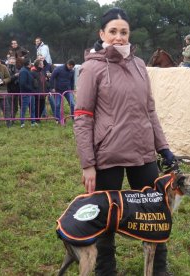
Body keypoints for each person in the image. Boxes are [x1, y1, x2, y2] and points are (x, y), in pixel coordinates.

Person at [73, 7, 176, 276]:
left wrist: (163, 148)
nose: (119, 37)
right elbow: (82, 118)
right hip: (108, 155)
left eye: (124, 32)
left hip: (143, 154)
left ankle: (158, 269)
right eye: (113, 32)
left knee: (156, 213)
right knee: (106, 217)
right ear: (102, 34)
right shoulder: (91, 68)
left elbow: (149, 111)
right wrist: (88, 164)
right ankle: (105, 270)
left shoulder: (140, 65)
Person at [19, 59, 37, 128]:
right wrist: (31, 88)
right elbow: (23, 83)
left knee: (32, 108)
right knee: (24, 108)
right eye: (30, 62)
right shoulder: (23, 71)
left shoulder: (27, 70)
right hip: (26, 93)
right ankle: (22, 122)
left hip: (30, 93)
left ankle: (33, 121)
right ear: (28, 63)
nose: (31, 63)